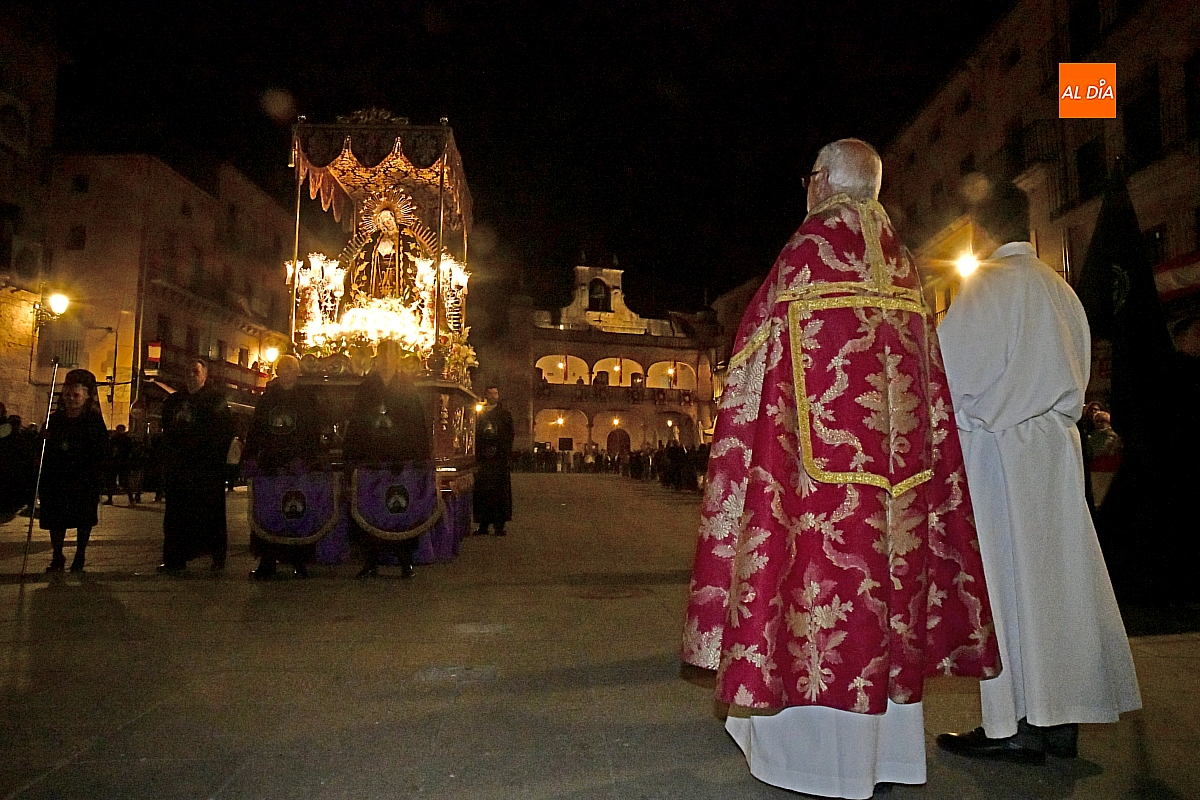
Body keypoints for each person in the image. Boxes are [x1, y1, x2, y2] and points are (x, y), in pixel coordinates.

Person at [681, 139, 1000, 799]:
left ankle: (814, 764)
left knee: (812, 607)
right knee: (886, 604)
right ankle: (887, 758)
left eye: (808, 178)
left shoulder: (806, 252)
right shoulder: (906, 267)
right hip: (901, 490)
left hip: (812, 492)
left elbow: (751, 364)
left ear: (821, 182)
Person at [935, 180, 1141, 763]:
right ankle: (1061, 718)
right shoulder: (1062, 292)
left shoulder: (984, 289)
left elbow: (948, 378)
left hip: (1001, 459)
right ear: (1028, 227)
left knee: (1005, 590)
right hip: (1055, 453)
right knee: (1058, 590)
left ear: (980, 231)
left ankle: (1014, 726)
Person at [344, 339, 431, 578]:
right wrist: (352, 456)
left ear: (398, 360)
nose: (386, 362)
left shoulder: (407, 388)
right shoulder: (367, 387)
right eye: (382, 357)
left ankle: (405, 559)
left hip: (399, 461)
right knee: (370, 509)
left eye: (390, 357)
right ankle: (371, 560)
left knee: (400, 510)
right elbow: (357, 422)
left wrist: (418, 457)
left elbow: (417, 425)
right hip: (372, 460)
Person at [242, 354, 325, 579]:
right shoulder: (267, 399)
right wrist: (250, 457)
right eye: (282, 368)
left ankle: (300, 562)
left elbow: (313, 431)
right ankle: (267, 562)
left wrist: (308, 459)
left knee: (297, 512)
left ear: (297, 372)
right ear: (277, 371)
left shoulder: (307, 399)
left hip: (296, 466)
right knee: (268, 513)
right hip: (271, 465)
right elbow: (256, 430)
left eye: (290, 368)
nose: (286, 372)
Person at [159, 357, 235, 573]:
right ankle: (175, 558)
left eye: (195, 372)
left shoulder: (216, 400)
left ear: (205, 375)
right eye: (188, 372)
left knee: (210, 515)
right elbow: (167, 431)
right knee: (176, 516)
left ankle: (217, 557)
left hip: (206, 470)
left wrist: (214, 459)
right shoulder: (174, 402)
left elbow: (225, 432)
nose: (191, 376)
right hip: (179, 469)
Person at [39, 370, 110, 572]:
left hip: (83, 477)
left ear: (86, 396)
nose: (71, 399)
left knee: (83, 518)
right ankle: (57, 554)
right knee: (56, 519)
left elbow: (101, 449)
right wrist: (43, 439)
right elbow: (44, 448)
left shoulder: (93, 422)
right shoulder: (54, 420)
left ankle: (80, 555)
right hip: (57, 477)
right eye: (68, 395)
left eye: (76, 395)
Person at [473, 385, 514, 536]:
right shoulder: (480, 414)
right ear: (486, 394)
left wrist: (503, 453)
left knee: (499, 493)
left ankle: (499, 524)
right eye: (490, 393)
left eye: (495, 393)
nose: (493, 395)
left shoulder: (504, 415)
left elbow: (509, 436)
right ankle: (483, 524)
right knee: (483, 493)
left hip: (499, 460)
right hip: (484, 460)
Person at [104, 424, 136, 506]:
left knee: (121, 481)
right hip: (118, 463)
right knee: (115, 481)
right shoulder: (119, 439)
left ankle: (130, 498)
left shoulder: (121, 439)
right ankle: (129, 499)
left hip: (120, 463)